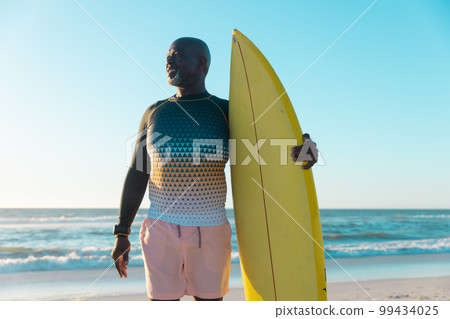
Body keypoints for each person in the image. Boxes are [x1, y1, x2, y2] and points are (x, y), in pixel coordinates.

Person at [111, 37, 318, 301]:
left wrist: (305, 147)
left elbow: (268, 149)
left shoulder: (225, 111)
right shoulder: (154, 112)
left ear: (202, 63)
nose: (168, 60)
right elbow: (138, 172)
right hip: (159, 227)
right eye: (167, 56)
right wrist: (122, 232)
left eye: (177, 55)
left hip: (209, 227)